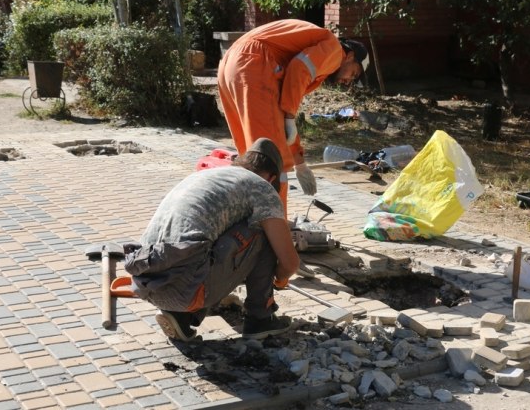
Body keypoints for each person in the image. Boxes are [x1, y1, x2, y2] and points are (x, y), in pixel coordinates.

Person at [123, 138, 301, 341]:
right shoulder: (262, 188)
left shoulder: (210, 176)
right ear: (271, 178)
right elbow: (290, 263)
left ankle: (181, 315)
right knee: (262, 234)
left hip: (146, 283)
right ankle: (260, 319)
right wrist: (278, 278)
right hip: (187, 291)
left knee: (209, 241)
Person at [218, 19, 370, 214]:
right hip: (254, 66)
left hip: (232, 63)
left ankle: (249, 218)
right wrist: (290, 115)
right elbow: (299, 70)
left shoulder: (315, 49)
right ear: (349, 56)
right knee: (271, 159)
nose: (348, 80)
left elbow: (280, 116)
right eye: (354, 73)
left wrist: (299, 162)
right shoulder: (334, 50)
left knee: (251, 154)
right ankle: (274, 226)